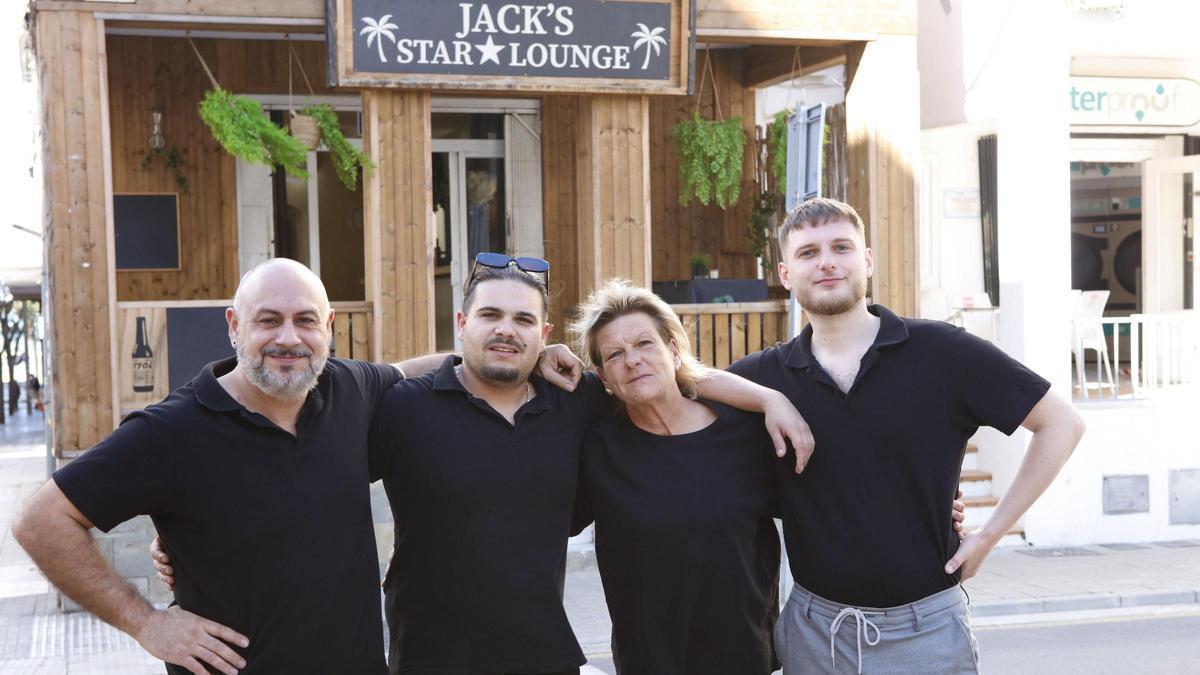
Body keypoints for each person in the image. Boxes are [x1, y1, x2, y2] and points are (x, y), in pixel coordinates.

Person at [11, 259, 474, 675]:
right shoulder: (172, 431)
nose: (288, 338)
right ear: (234, 326)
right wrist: (146, 623)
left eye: (306, 320)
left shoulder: (349, 388)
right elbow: (40, 521)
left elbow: (415, 372)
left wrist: (509, 356)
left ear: (329, 326)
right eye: (268, 320)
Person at [367, 255, 813, 675]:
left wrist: (768, 398)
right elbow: (361, 399)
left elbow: (671, 378)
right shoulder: (408, 407)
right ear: (462, 324)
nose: (506, 330)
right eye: (490, 316)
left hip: (549, 656)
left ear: (543, 334)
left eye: (523, 320)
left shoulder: (574, 402)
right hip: (432, 657)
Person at [728, 198, 1085, 674]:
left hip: (928, 634)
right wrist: (767, 398)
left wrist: (989, 535)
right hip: (816, 637)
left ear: (867, 261)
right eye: (809, 252)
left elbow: (1061, 423)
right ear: (786, 274)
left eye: (841, 247)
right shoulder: (762, 377)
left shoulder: (941, 351)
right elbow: (681, 382)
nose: (827, 261)